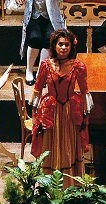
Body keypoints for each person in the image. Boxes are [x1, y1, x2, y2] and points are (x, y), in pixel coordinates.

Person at [31, 29, 91, 180]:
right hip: (51, 111)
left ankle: (68, 183)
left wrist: (85, 113)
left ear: (71, 47)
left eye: (66, 45)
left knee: (68, 145)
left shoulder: (78, 67)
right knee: (50, 145)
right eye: (60, 44)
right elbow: (37, 90)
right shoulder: (45, 65)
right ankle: (49, 182)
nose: (63, 48)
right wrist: (34, 114)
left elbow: (85, 91)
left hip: (70, 111)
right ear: (54, 46)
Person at [7, 0, 71, 85]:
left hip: (50, 18)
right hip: (34, 17)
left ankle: (42, 71)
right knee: (34, 38)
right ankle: (29, 70)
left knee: (49, 40)